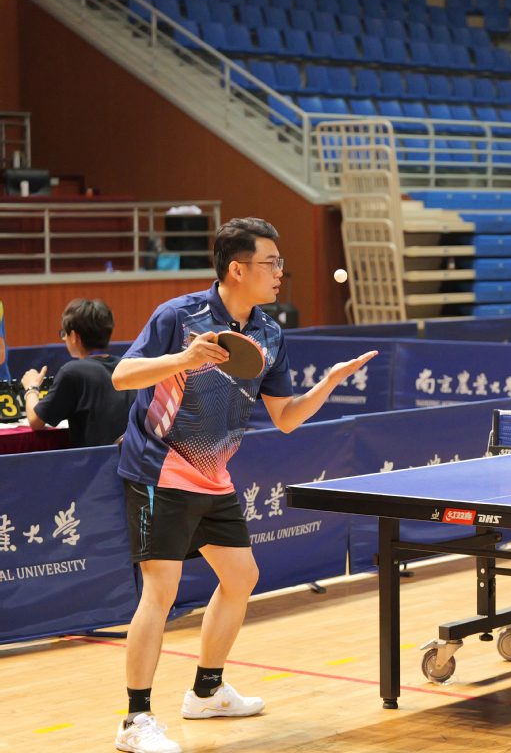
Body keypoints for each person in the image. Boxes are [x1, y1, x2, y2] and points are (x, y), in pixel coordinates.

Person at [110, 218, 375, 753]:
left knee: (241, 576)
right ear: (237, 268)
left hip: (213, 474)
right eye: (271, 263)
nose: (279, 273)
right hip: (159, 468)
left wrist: (327, 384)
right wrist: (183, 359)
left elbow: (285, 418)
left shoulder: (269, 334)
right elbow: (122, 376)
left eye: (279, 263)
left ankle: (206, 692)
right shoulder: (179, 316)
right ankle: (135, 720)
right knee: (160, 590)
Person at [20, 298, 133, 448]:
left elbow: (35, 421)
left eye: (64, 334)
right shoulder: (128, 367)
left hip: (95, 461)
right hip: (134, 460)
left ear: (74, 336)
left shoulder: (72, 372)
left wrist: (31, 387)